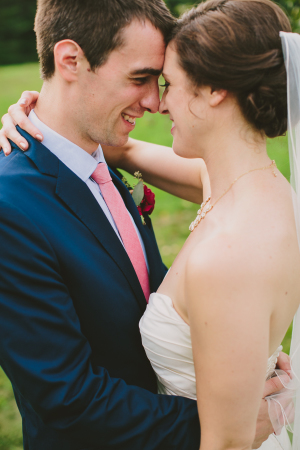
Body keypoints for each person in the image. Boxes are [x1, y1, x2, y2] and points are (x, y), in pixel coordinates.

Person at [0, 0, 293, 449]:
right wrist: (229, 416)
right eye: (141, 79)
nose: (156, 102)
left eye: (164, 82)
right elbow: (67, 398)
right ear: (70, 60)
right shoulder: (11, 208)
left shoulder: (108, 153)